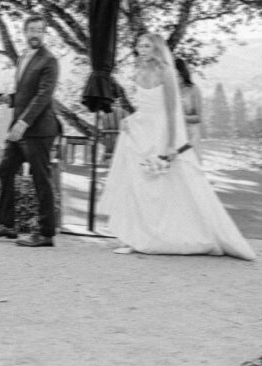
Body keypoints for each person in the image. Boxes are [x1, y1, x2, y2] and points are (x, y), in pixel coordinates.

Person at [99, 32, 254, 260]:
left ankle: (178, 235)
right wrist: (129, 120)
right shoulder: (138, 72)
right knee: (137, 182)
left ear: (157, 49)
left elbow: (172, 111)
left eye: (147, 46)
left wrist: (171, 144)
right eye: (139, 45)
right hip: (142, 129)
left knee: (167, 185)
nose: (142, 49)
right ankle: (136, 236)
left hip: (162, 131)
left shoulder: (167, 73)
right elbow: (144, 107)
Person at [0, 14, 60, 248]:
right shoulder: (24, 57)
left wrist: (23, 123)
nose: (35, 34)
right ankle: (8, 225)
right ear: (24, 33)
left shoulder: (50, 60)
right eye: (31, 29)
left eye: (39, 30)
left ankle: (46, 234)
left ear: (44, 34)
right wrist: (10, 98)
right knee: (5, 170)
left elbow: (43, 96)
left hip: (39, 129)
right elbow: (26, 93)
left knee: (41, 178)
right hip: (19, 127)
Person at [174, 56, 204, 160]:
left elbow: (198, 118)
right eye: (173, 75)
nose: (176, 78)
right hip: (176, 135)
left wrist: (181, 117)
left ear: (183, 73)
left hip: (191, 135)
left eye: (178, 75)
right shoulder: (171, 92)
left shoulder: (194, 90)